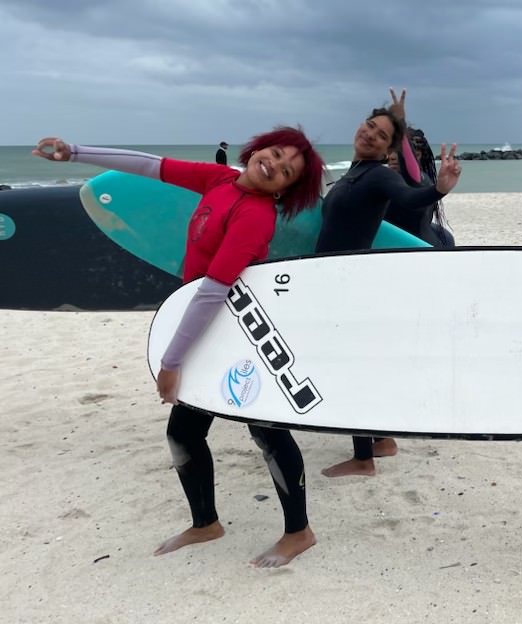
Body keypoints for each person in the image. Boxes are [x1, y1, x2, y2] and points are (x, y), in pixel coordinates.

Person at [32, 128, 325, 567]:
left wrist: (172, 361)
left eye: (287, 171)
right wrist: (74, 153)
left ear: (285, 190)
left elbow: (214, 290)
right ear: (259, 147)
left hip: (238, 329)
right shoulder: (221, 180)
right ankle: (206, 523)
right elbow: (151, 166)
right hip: (204, 325)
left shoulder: (256, 216)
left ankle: (299, 532)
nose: (275, 165)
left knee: (266, 431)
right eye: (276, 153)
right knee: (184, 433)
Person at [317, 99, 463, 477]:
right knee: (355, 363)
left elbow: (411, 196)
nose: (370, 134)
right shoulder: (355, 172)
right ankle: (380, 440)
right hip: (336, 280)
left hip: (349, 283)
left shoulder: (379, 176)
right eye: (369, 126)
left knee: (349, 368)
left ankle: (363, 458)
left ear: (387, 149)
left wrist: (440, 189)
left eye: (381, 135)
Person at [384, 89, 456, 246]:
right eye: (391, 149)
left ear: (418, 155)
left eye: (400, 151)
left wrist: (400, 124)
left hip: (416, 249)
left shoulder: (420, 181)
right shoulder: (384, 178)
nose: (393, 156)